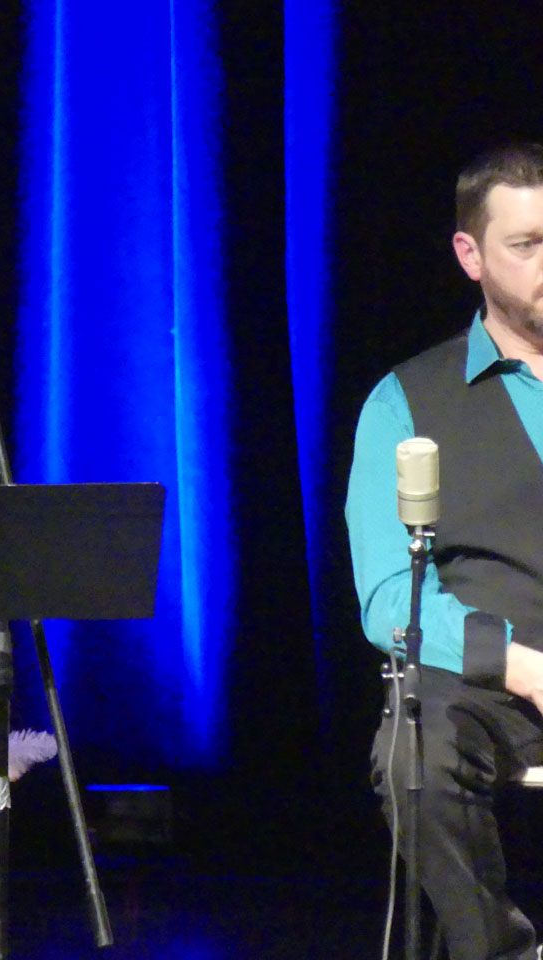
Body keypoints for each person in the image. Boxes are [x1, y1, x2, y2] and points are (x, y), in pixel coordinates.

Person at [347, 142, 543, 960]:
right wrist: (520, 664)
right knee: (415, 748)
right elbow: (390, 594)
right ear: (471, 255)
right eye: (527, 245)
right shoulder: (407, 400)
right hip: (498, 687)